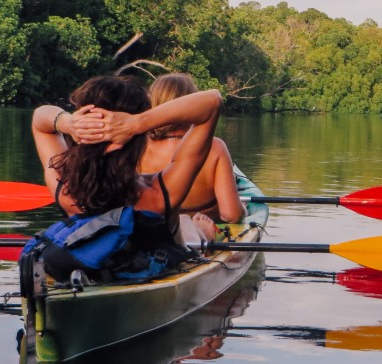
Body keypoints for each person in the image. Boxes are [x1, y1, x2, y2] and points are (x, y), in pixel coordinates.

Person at [30, 74, 223, 271]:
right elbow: (212, 101)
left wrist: (68, 123)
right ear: (138, 141)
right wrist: (138, 123)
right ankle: (203, 235)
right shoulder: (160, 197)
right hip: (159, 263)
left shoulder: (65, 189)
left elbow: (40, 119)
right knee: (186, 221)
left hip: (93, 267)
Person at [138, 73, 245, 231]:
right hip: (199, 229)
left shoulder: (136, 147)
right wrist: (243, 208)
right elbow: (231, 215)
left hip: (152, 229)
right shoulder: (215, 147)